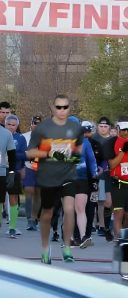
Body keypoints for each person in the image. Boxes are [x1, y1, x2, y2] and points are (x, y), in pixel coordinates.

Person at [26, 94, 84, 264]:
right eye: (58, 107)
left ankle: (66, 247)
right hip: (48, 177)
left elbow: (78, 153)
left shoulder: (75, 128)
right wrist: (49, 153)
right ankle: (45, 249)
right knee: (47, 214)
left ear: (69, 108)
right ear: (53, 108)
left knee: (69, 208)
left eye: (65, 107)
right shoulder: (42, 129)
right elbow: (30, 152)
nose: (61, 111)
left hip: (68, 176)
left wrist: (71, 156)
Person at [103, 116, 128, 240]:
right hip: (118, 184)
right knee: (118, 213)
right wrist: (122, 152)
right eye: (123, 130)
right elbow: (112, 164)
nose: (125, 133)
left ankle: (124, 236)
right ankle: (118, 239)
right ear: (118, 128)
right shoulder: (111, 142)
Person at [73, 120, 98, 248]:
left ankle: (82, 237)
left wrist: (94, 174)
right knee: (74, 210)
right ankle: (77, 236)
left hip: (79, 179)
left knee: (78, 209)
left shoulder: (85, 142)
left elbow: (92, 161)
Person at [4, 115, 27, 237]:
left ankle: (12, 227)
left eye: (14, 125)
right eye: (9, 124)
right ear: (5, 124)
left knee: (13, 198)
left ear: (17, 126)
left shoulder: (21, 138)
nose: (11, 127)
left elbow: (24, 155)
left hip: (15, 171)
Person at [92, 116, 113, 241]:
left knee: (106, 201)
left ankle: (103, 224)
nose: (103, 128)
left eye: (106, 126)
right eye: (101, 126)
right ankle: (99, 225)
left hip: (109, 172)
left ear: (109, 127)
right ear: (97, 126)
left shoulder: (112, 140)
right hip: (96, 172)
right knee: (98, 200)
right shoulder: (93, 139)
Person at [22, 116, 42, 231]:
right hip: (28, 166)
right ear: (31, 124)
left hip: (41, 168)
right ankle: (29, 219)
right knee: (29, 190)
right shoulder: (24, 136)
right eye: (35, 123)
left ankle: (34, 218)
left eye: (39, 123)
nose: (36, 125)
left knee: (38, 193)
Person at [0, 118, 16, 235]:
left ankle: (9, 225)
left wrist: (11, 172)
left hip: (2, 170)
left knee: (1, 199)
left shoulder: (6, 134)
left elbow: (12, 155)